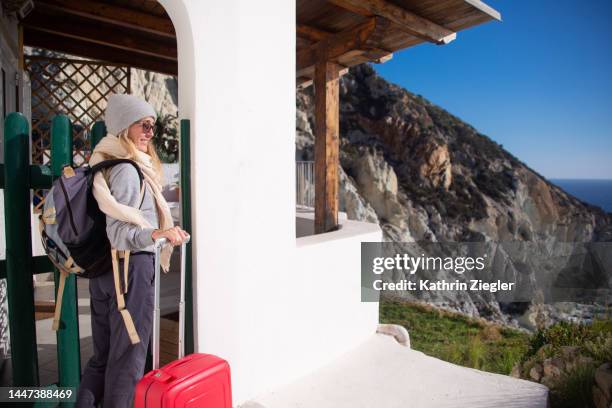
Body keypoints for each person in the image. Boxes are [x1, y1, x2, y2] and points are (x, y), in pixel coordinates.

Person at [75, 94, 189, 407]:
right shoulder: (127, 169)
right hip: (129, 272)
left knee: (103, 359)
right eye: (144, 125)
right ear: (125, 126)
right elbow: (119, 232)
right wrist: (158, 233)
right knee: (127, 361)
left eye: (153, 126)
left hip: (106, 272)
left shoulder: (106, 163)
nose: (151, 132)